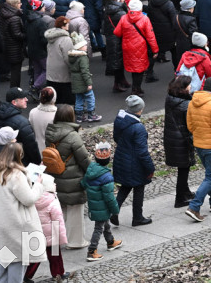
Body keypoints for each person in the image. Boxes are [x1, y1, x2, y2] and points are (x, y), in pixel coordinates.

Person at [0, 142, 45, 283]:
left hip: (0, 226)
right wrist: (39, 185)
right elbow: (28, 199)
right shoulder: (16, 175)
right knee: (17, 266)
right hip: (16, 227)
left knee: (2, 265)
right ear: (19, 156)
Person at [44, 103, 91, 250]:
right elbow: (83, 158)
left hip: (56, 175)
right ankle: (76, 241)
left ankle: (59, 239)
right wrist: (92, 171)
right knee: (75, 210)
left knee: (62, 208)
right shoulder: (72, 135)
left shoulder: (50, 133)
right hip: (73, 178)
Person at [184, 76, 211, 221]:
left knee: (210, 173)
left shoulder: (192, 103)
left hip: (198, 144)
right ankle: (194, 207)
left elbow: (189, 125)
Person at [112, 95, 155, 227]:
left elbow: (116, 138)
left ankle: (114, 212)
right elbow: (142, 152)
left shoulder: (120, 120)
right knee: (139, 187)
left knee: (126, 185)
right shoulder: (138, 127)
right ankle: (137, 217)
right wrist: (150, 167)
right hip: (134, 163)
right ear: (139, 109)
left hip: (122, 158)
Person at [82, 142, 123, 261]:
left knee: (105, 224)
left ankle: (110, 242)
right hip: (102, 206)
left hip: (94, 204)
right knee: (99, 228)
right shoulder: (107, 177)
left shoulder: (91, 170)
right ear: (108, 160)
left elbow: (83, 183)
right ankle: (92, 250)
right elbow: (109, 197)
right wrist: (115, 209)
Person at [23, 174, 68, 282]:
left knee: (35, 258)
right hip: (52, 235)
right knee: (55, 256)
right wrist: (61, 237)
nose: (55, 184)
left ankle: (26, 275)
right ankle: (58, 273)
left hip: (37, 233)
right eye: (53, 183)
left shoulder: (33, 199)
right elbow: (58, 221)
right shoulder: (52, 201)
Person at [164, 75, 196, 208]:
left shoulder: (171, 98)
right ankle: (180, 198)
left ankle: (186, 191)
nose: (191, 87)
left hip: (173, 138)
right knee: (184, 169)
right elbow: (188, 126)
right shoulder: (185, 105)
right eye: (189, 85)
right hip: (181, 141)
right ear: (183, 88)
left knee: (183, 168)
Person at [115, 0, 159, 95]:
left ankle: (136, 89)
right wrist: (155, 50)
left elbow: (117, 32)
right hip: (140, 47)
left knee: (133, 67)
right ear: (141, 8)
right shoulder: (144, 19)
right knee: (139, 69)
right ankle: (136, 89)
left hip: (127, 47)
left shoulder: (123, 18)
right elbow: (150, 36)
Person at [0, 87, 41, 166]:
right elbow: (31, 147)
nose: (27, 99)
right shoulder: (23, 123)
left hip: (0, 158)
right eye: (23, 98)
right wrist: (37, 162)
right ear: (14, 102)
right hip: (19, 162)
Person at [46, 17, 76, 106]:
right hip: (63, 74)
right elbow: (68, 57)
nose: (69, 25)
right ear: (63, 26)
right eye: (67, 24)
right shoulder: (66, 39)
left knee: (55, 98)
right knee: (67, 100)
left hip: (51, 72)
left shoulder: (51, 37)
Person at [30, 86, 57, 153]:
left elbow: (31, 131)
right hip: (52, 152)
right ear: (54, 98)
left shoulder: (33, 112)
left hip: (36, 150)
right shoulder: (57, 114)